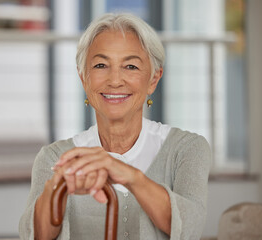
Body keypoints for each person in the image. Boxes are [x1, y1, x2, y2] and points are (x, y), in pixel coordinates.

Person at [19, 13, 211, 240]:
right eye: (101, 65)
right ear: (84, 78)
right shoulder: (54, 158)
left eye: (130, 66)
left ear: (153, 79)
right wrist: (57, 191)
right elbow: (34, 236)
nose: (115, 80)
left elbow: (192, 228)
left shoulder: (187, 149)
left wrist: (128, 175)